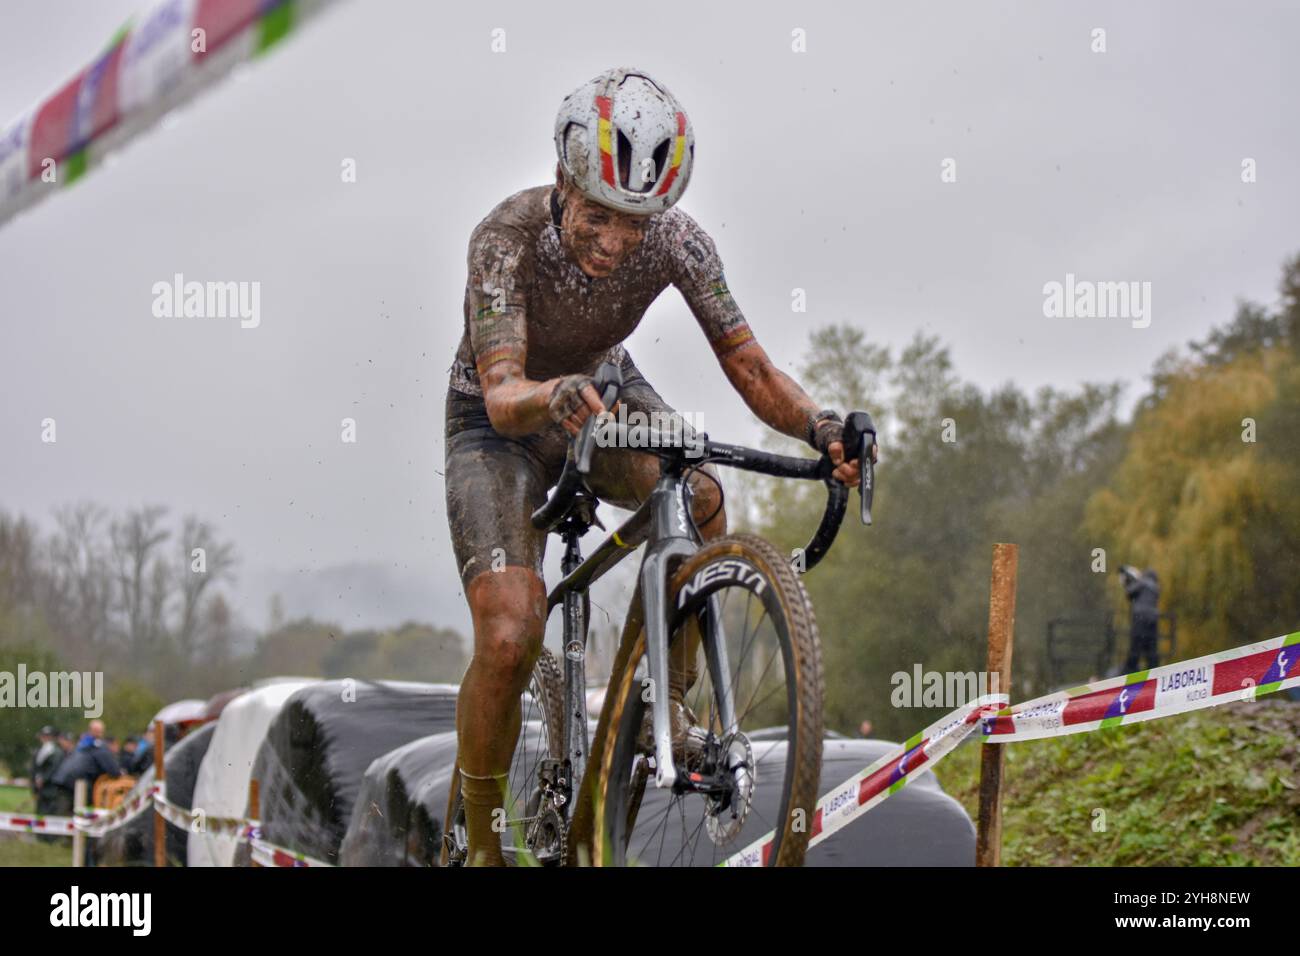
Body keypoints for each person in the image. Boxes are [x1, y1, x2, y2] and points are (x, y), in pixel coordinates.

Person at [444, 67, 869, 866]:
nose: (615, 242)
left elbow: (752, 369)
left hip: (602, 388)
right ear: (565, 182)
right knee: (510, 632)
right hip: (497, 423)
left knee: (700, 495)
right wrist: (548, 394)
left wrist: (821, 426)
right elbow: (503, 394)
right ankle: (480, 840)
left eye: (637, 222)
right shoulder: (503, 238)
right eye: (601, 216)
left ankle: (659, 711)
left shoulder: (678, 240)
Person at [1120, 565, 1161, 672]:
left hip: (1140, 618)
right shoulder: (1156, 587)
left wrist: (1127, 582)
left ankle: (1130, 669)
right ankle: (1153, 670)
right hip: (1153, 619)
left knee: (1136, 645)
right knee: (1151, 648)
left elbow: (1129, 593)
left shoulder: (1142, 582)